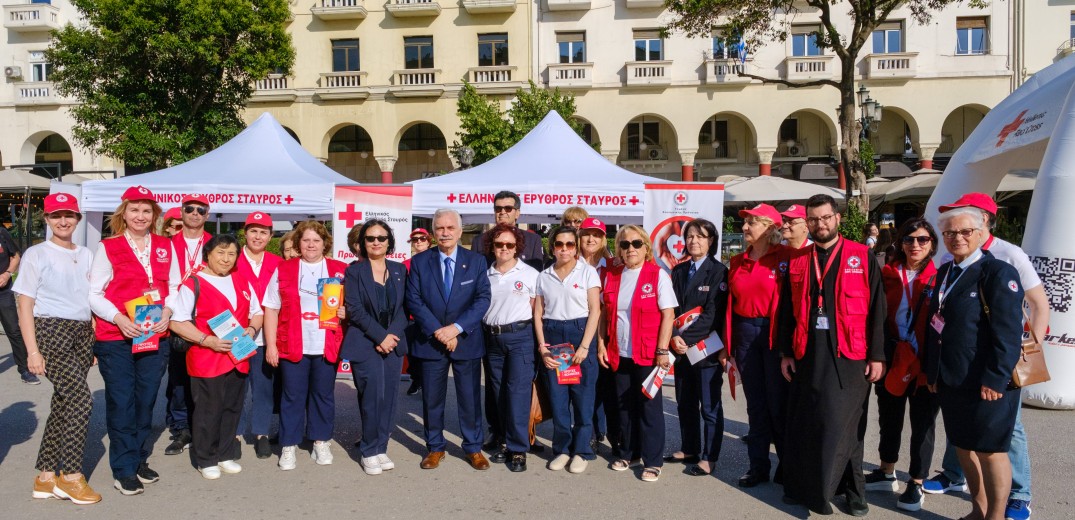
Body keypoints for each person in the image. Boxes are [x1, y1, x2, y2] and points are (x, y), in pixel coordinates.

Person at [924, 193, 1047, 520]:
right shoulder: (945, 271)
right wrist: (933, 374)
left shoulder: (997, 271)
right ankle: (978, 511)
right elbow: (936, 326)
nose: (957, 238)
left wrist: (995, 377)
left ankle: (995, 515)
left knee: (992, 453)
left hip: (989, 382)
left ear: (981, 233)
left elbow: (1008, 332)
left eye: (965, 232)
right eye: (949, 233)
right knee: (964, 449)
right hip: (953, 379)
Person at [777, 194, 886, 516]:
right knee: (807, 422)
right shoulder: (799, 260)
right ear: (807, 222)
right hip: (806, 351)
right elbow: (786, 310)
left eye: (825, 218)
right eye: (813, 219)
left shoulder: (861, 256)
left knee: (845, 425)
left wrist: (877, 355)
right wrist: (785, 353)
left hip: (850, 354)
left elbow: (878, 309)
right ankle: (801, 487)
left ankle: (853, 492)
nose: (820, 224)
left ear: (837, 218)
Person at [15, 194, 100, 504]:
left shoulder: (87, 254)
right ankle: (71, 476)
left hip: (80, 331)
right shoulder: (36, 254)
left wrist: (91, 336)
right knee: (81, 400)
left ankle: (46, 476)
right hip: (51, 328)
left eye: (69, 215)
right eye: (56, 216)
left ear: (78, 219)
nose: (64, 221)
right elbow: (25, 304)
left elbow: (89, 299)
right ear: (47, 219)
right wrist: (32, 351)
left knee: (64, 401)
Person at [89, 185, 173, 496]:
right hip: (116, 337)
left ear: (154, 215)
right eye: (134, 209)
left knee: (146, 399)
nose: (140, 215)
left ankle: (137, 458)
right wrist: (118, 318)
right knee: (122, 402)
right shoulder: (108, 246)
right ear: (124, 213)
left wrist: (168, 308)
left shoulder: (165, 246)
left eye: (146, 210)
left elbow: (174, 285)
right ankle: (123, 468)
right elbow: (94, 293)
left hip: (153, 334)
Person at [169, 234, 263, 480]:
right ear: (208, 255)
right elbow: (177, 321)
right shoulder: (194, 283)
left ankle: (225, 454)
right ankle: (206, 458)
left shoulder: (241, 281)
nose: (226, 258)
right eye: (220, 253)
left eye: (231, 254)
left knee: (232, 407)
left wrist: (252, 330)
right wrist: (206, 340)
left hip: (238, 355)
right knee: (208, 409)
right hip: (207, 357)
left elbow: (257, 312)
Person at [405, 208, 492, 471]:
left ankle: (473, 448)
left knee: (469, 398)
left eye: (450, 228)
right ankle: (435, 447)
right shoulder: (420, 262)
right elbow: (414, 300)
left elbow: (482, 299)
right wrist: (438, 331)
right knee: (432, 399)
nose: (445, 233)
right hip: (431, 341)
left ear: (459, 231)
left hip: (465, 340)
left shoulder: (476, 261)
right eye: (440, 228)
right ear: (433, 232)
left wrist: (455, 329)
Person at [866, 217, 941, 512]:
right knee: (889, 416)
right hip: (893, 354)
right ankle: (887, 470)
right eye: (909, 239)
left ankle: (917, 482)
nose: (915, 245)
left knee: (923, 423)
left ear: (932, 244)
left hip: (924, 361)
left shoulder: (941, 276)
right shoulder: (887, 272)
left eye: (923, 240)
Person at [263, 221, 347, 471]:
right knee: (292, 396)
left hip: (326, 343)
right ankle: (288, 444)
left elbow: (354, 306)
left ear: (325, 244)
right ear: (298, 243)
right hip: (292, 343)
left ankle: (321, 440)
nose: (311, 245)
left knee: (323, 395)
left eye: (316, 240)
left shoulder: (339, 269)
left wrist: (346, 311)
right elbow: (271, 308)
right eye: (306, 240)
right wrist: (270, 345)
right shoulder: (284, 269)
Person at [599, 225, 677, 482]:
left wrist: (663, 350)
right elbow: (604, 314)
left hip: (648, 353)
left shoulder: (658, 275)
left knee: (648, 407)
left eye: (635, 244)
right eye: (624, 244)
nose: (630, 249)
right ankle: (628, 452)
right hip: (618, 352)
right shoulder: (613, 275)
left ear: (645, 247)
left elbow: (668, 314)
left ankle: (652, 461)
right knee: (623, 407)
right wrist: (601, 343)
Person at [727, 204, 788, 488]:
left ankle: (787, 466)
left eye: (752, 222)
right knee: (756, 405)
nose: (745, 227)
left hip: (774, 335)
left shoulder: (785, 258)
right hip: (745, 334)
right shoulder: (738, 261)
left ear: (769, 227)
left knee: (779, 403)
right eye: (746, 222)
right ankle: (758, 467)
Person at [342, 220, 409, 476]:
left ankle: (382, 447)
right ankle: (369, 450)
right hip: (366, 342)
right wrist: (380, 336)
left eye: (381, 237)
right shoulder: (355, 272)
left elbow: (405, 308)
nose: (376, 242)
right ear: (363, 243)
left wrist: (391, 335)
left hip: (393, 342)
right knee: (372, 396)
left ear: (389, 241)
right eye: (370, 238)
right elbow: (355, 310)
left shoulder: (399, 269)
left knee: (390, 398)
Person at [534, 226, 601, 474]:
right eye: (559, 245)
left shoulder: (588, 273)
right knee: (558, 400)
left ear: (576, 247)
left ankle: (582, 450)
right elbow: (538, 313)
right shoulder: (544, 276)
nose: (564, 249)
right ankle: (562, 449)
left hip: (580, 334)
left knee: (583, 399)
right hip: (553, 338)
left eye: (570, 244)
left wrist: (585, 346)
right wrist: (542, 347)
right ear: (552, 248)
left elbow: (595, 310)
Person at [665, 218, 729, 477]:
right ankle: (689, 447)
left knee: (710, 406)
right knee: (685, 402)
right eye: (690, 236)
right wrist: (672, 336)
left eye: (700, 236)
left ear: (711, 240)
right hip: (680, 349)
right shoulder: (679, 271)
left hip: (706, 350)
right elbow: (669, 308)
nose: (694, 241)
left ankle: (709, 457)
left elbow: (713, 314)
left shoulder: (719, 272)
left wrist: (686, 338)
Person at [482, 223, 540, 472]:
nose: (504, 248)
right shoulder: (485, 274)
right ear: (492, 247)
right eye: (499, 244)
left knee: (517, 392)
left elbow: (538, 311)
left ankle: (518, 449)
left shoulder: (530, 274)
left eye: (509, 244)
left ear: (517, 247)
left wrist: (541, 344)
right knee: (497, 392)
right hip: (492, 338)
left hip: (520, 337)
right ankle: (504, 439)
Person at [163, 194, 212, 457]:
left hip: (206, 317)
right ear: (181, 212)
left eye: (200, 210)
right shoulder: (167, 244)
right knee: (179, 377)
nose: (194, 213)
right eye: (189, 209)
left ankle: (202, 424)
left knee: (204, 375)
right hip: (175, 317)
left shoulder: (215, 244)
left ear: (207, 214)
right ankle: (181, 427)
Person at [234, 211, 283, 459]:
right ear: (245, 232)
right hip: (238, 335)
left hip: (267, 337)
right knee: (237, 387)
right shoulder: (231, 258)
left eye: (263, 232)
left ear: (270, 235)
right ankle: (235, 433)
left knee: (263, 387)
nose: (258, 236)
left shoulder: (277, 262)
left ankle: (261, 433)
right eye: (253, 230)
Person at [578, 217, 619, 452]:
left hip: (607, 332)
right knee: (585, 385)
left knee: (608, 386)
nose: (591, 239)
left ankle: (610, 433)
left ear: (604, 239)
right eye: (586, 234)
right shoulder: (570, 264)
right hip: (579, 331)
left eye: (596, 234)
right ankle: (590, 432)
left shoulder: (614, 266)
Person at [471, 190, 544, 270]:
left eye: (508, 208)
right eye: (498, 208)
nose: (502, 212)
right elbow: (474, 272)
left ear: (517, 213)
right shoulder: (479, 241)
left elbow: (537, 273)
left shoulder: (532, 240)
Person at [0, 221, 32, 384]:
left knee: (13, 330)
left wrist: (7, 274)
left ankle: (25, 369)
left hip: (3, 292)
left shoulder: (2, 233)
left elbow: (16, 256)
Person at [404, 227, 432, 395]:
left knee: (428, 353)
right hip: (411, 317)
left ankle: (428, 383)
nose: (419, 242)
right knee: (412, 353)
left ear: (429, 241)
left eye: (422, 238)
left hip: (430, 316)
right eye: (415, 240)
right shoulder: (405, 265)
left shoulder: (436, 261)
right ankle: (416, 379)